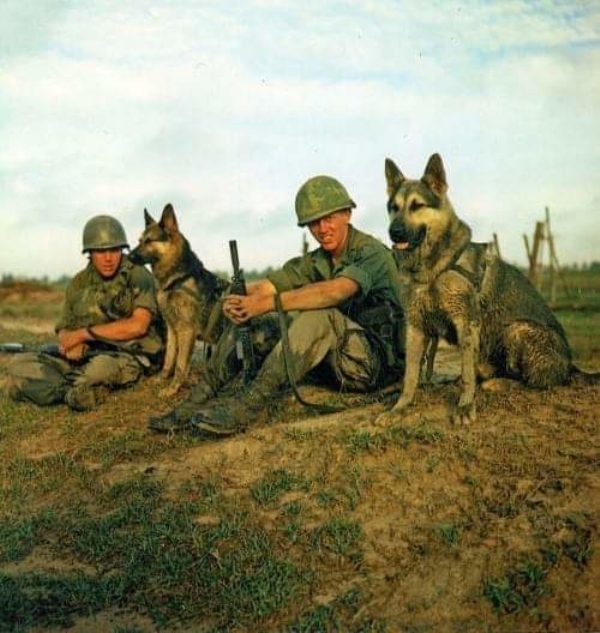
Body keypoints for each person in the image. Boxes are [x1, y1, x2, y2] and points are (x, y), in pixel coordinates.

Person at [149, 175, 405, 438]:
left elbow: (334, 291)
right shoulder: (316, 260)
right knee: (264, 323)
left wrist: (265, 304)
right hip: (336, 363)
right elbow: (268, 286)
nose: (322, 228)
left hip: (375, 367)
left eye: (329, 218)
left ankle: (248, 405)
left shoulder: (370, 252)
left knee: (320, 316)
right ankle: (197, 399)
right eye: (314, 222)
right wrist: (237, 300)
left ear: (347, 214)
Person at [6, 215, 165, 411]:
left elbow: (138, 325)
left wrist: (83, 334)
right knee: (18, 364)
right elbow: (64, 330)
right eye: (100, 251)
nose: (108, 258)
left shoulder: (137, 274)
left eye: (114, 250)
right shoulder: (78, 283)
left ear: (122, 250)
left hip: (128, 356)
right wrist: (72, 343)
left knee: (99, 369)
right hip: (85, 357)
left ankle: (52, 387)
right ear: (89, 252)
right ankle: (70, 394)